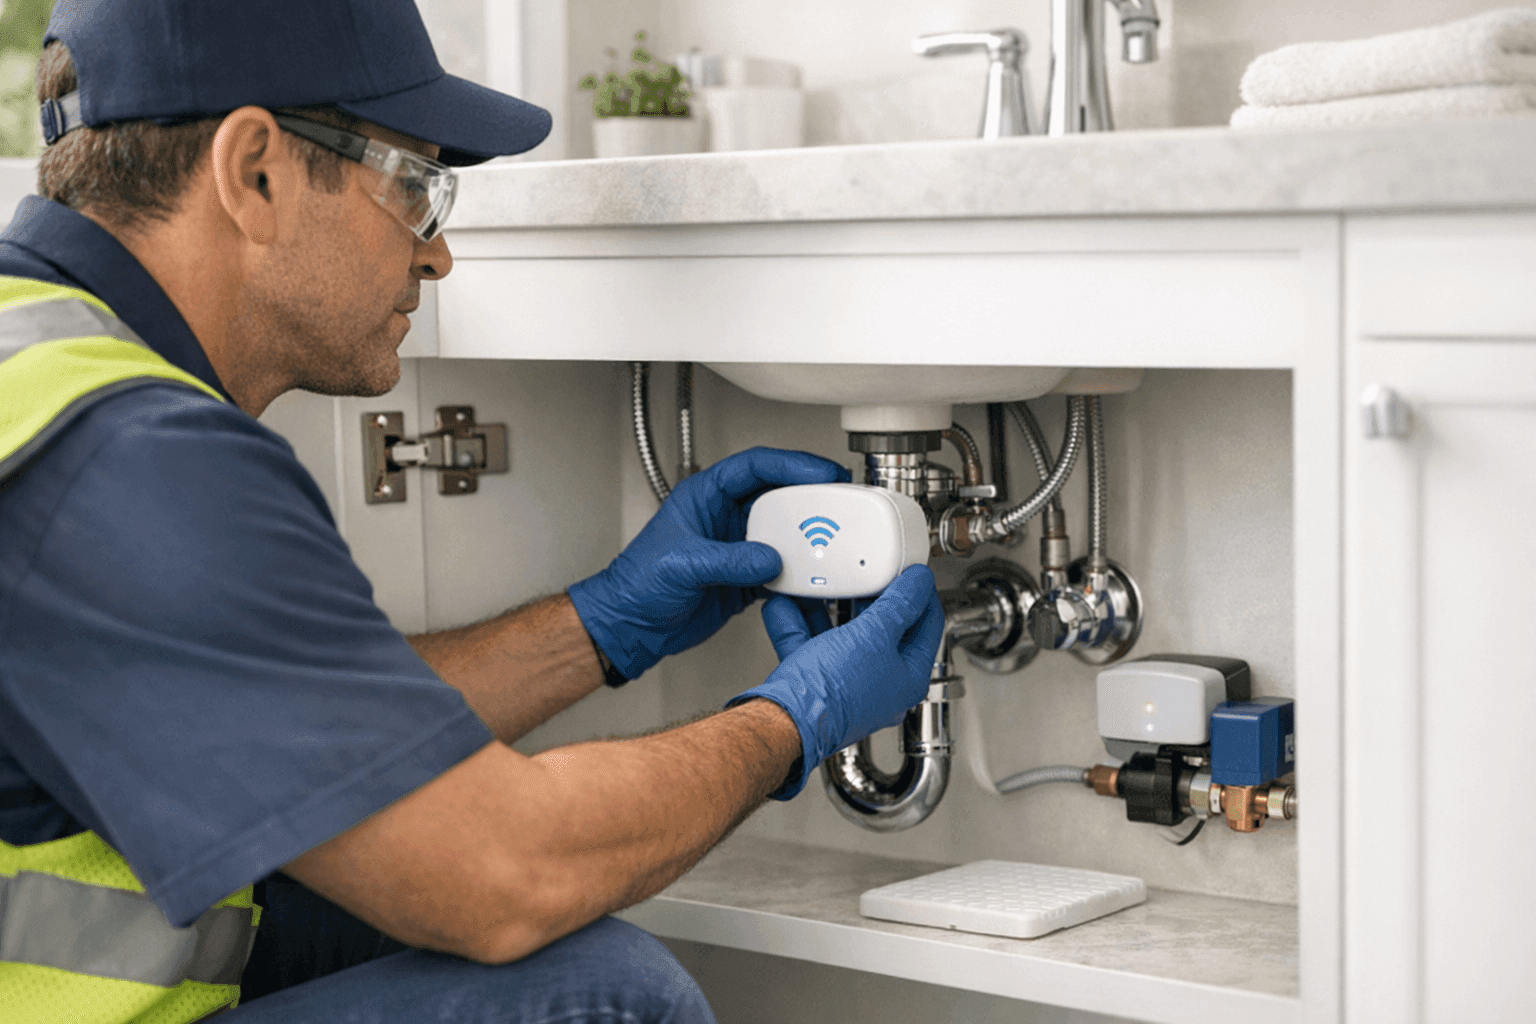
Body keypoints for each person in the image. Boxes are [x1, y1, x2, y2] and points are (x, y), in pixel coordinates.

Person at [0, 1, 945, 1022]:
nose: (438, 254)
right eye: (413, 187)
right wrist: (788, 723)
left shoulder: (45, 366)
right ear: (254, 170)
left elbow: (303, 720)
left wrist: (602, 623)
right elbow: (506, 872)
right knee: (602, 995)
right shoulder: (125, 454)